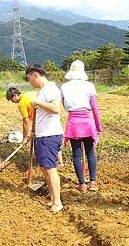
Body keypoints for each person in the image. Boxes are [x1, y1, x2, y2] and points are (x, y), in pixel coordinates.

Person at [26, 64, 64, 214]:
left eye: (29, 78)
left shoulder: (51, 89)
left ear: (35, 75)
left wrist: (37, 103)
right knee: (44, 167)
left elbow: (56, 109)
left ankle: (57, 202)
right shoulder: (42, 91)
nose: (30, 82)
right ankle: (52, 198)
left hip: (50, 135)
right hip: (42, 135)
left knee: (50, 168)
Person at [60, 60, 102, 192]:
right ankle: (93, 182)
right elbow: (94, 107)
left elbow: (64, 104)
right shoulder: (89, 86)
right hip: (87, 121)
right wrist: (98, 126)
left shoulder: (64, 87)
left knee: (77, 154)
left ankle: (82, 184)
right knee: (90, 152)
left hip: (73, 122)